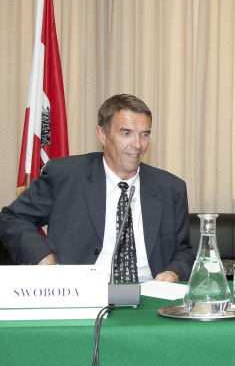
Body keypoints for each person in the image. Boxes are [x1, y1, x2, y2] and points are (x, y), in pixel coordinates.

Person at [0, 94, 194, 282]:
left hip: (149, 297)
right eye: (126, 133)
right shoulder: (65, 176)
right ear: (102, 134)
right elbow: (12, 219)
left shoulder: (170, 188)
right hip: (80, 294)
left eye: (144, 134)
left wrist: (174, 271)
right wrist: (43, 256)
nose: (138, 145)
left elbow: (184, 252)